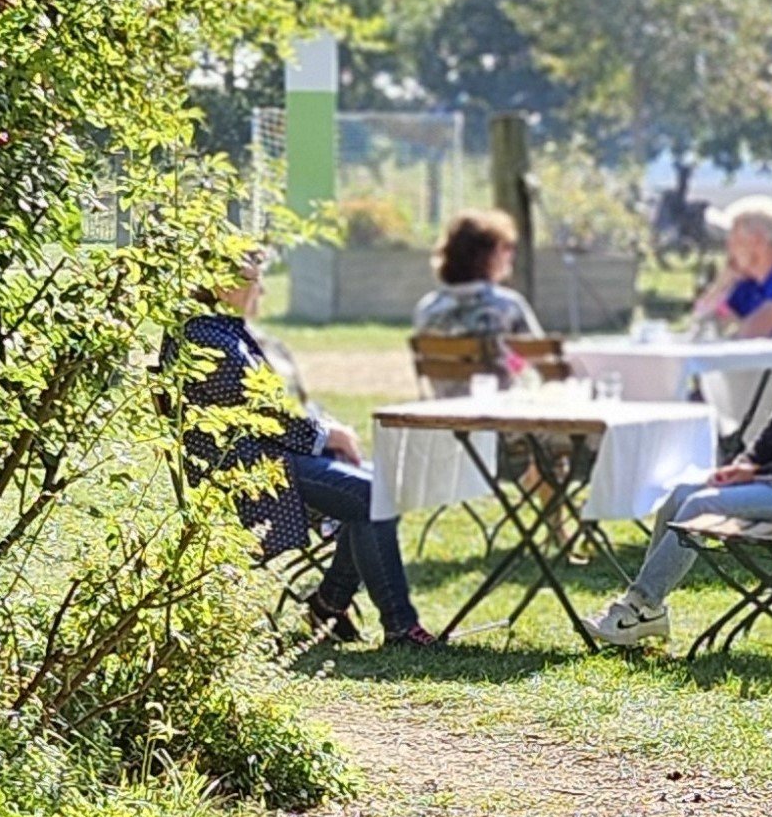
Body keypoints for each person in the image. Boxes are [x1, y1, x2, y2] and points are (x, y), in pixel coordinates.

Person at [587, 272, 772, 646]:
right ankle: (648, 612)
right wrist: (746, 465)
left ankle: (637, 605)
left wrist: (760, 473)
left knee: (699, 503)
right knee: (680, 493)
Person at [170, 253, 435, 648]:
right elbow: (266, 410)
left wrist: (326, 432)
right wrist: (327, 436)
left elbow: (279, 403)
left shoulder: (222, 330)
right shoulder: (206, 337)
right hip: (247, 469)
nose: (261, 289)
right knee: (374, 495)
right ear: (223, 285)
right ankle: (393, 625)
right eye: (253, 279)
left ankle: (329, 605)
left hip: (270, 456)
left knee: (381, 490)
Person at [411, 209, 544, 395]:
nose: (510, 255)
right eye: (505, 247)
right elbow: (543, 361)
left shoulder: (426, 308)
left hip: (444, 415)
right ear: (488, 256)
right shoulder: (508, 306)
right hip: (502, 414)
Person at [689, 195, 772, 340]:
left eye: (733, 239)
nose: (729, 247)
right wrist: (722, 283)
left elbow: (749, 335)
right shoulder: (748, 284)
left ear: (756, 241)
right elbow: (700, 318)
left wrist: (730, 325)